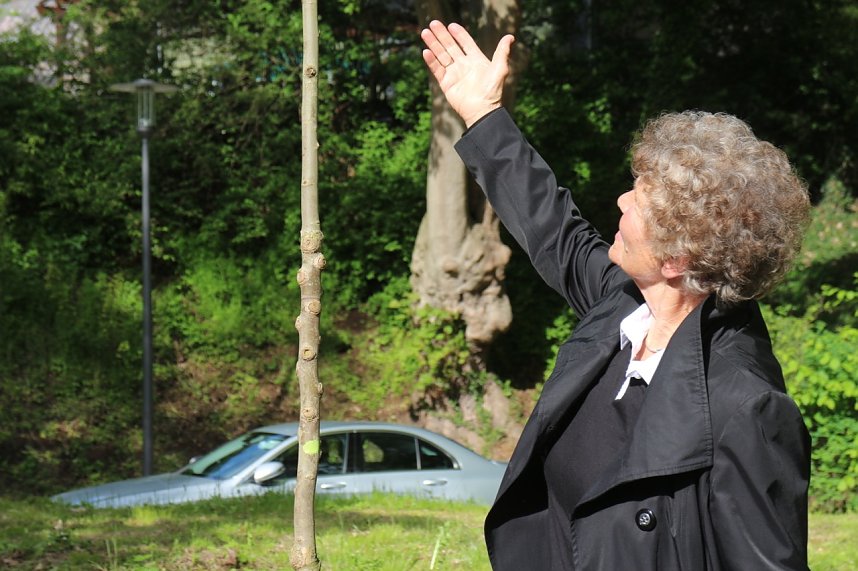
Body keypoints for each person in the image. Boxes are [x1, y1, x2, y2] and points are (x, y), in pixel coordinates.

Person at [420, 20, 812, 571]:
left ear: (678, 259)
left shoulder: (747, 407)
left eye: (640, 200)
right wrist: (483, 115)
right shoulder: (624, 306)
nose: (622, 201)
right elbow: (553, 228)